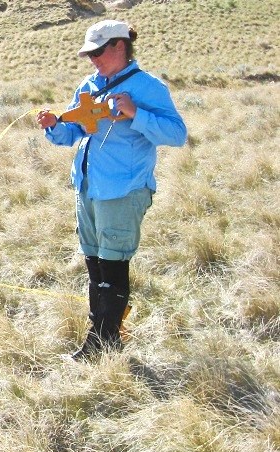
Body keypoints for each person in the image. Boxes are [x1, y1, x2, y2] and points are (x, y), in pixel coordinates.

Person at [36, 20, 186, 361]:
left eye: (98, 52)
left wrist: (136, 113)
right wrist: (54, 126)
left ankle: (98, 345)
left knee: (113, 265)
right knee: (95, 264)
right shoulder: (88, 86)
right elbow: (74, 134)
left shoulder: (148, 88)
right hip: (88, 187)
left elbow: (177, 134)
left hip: (123, 190)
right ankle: (106, 338)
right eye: (89, 54)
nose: (93, 60)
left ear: (119, 46)